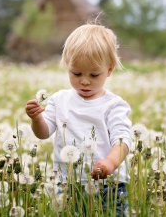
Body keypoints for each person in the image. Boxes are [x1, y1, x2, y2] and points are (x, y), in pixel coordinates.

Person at [25, 23, 132, 215]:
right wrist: (36, 118)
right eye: (76, 73)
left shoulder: (114, 105)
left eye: (94, 74)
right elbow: (43, 133)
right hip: (68, 184)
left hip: (110, 185)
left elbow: (123, 141)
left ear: (109, 69)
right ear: (67, 67)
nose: (84, 80)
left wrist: (110, 163)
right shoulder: (59, 100)